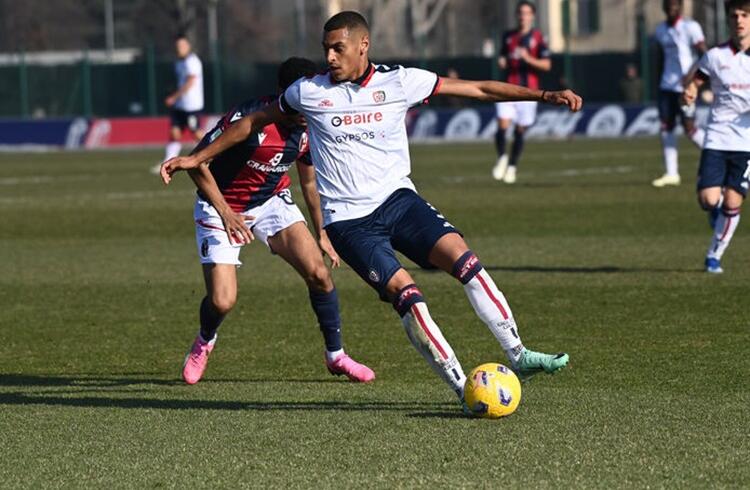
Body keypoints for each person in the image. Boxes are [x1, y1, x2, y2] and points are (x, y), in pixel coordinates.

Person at [162, 11, 581, 411]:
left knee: (466, 261)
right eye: (325, 48)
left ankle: (519, 353)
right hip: (351, 223)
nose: (328, 57)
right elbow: (251, 122)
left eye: (337, 48)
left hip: (400, 202)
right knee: (410, 297)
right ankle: (463, 389)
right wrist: (198, 158)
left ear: (363, 45)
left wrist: (544, 95)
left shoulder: (401, 82)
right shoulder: (309, 92)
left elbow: (478, 89)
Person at [161, 57, 375, 384]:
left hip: (272, 201)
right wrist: (226, 213)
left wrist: (322, 232)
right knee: (222, 300)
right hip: (220, 206)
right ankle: (205, 339)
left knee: (319, 273)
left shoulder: (309, 125)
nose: (310, 104)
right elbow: (197, 165)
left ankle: (336, 356)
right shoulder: (248, 120)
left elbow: (308, 182)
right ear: (284, 95)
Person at [682, 0, 750, 273]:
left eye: (745, 15)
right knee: (709, 200)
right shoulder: (715, 56)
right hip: (718, 136)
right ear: (728, 20)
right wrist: (691, 92)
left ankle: (714, 255)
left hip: (747, 141)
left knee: (733, 201)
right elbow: (696, 80)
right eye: (734, 16)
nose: (739, 20)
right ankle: (718, 212)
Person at [491, 1, 551, 184]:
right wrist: (502, 61)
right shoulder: (509, 36)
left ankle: (512, 166)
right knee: (502, 125)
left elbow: (547, 65)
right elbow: (502, 57)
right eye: (520, 13)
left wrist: (528, 58)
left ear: (532, 16)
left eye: (526, 13)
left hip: (529, 91)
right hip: (508, 88)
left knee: (519, 131)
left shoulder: (538, 38)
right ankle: (502, 157)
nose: (522, 16)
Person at [652, 0, 708, 188]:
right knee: (666, 127)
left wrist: (692, 76)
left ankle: (718, 155)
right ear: (664, 8)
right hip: (666, 87)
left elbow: (704, 55)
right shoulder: (660, 30)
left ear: (681, 8)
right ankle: (672, 173)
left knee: (690, 128)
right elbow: (660, 58)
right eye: (668, 5)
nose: (671, 8)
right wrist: (658, 81)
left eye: (675, 5)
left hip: (685, 87)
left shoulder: (691, 27)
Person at [151, 36, 205, 174]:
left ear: (188, 46)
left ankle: (214, 155)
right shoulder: (179, 62)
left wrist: (174, 97)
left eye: (181, 46)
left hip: (191, 105)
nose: (178, 49)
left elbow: (190, 82)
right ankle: (168, 162)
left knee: (196, 133)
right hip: (180, 105)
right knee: (174, 133)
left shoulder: (192, 62)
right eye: (177, 46)